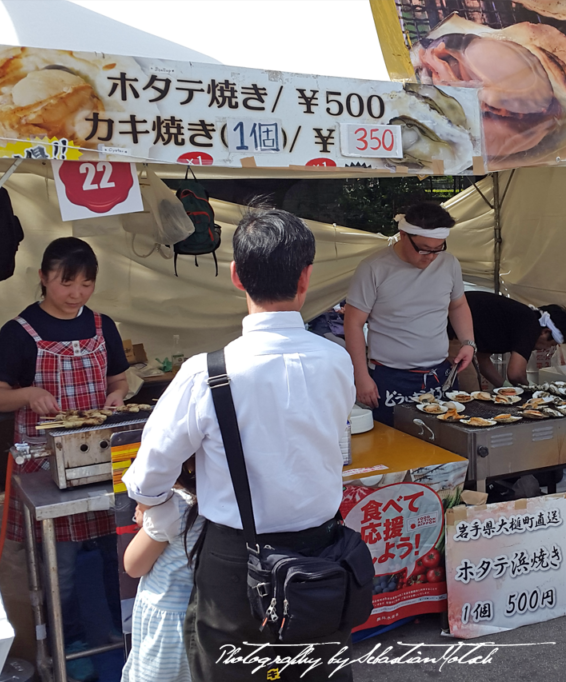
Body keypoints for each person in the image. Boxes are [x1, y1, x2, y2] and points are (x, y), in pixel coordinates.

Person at [122, 208, 356, 682]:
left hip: (234, 559)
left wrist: (159, 507)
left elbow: (149, 477)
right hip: (322, 552)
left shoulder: (206, 372)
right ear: (306, 277)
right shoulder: (337, 361)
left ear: (235, 276)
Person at [0, 237, 129, 681]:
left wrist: (119, 396)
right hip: (46, 467)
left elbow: (119, 380)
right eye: (68, 283)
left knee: (115, 554)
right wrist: (28, 394)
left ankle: (118, 642)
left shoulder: (103, 326)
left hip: (102, 459)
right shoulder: (20, 332)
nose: (77, 294)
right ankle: (64, 649)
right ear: (44, 277)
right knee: (59, 567)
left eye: (86, 284)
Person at [344, 202, 476, 426]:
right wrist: (361, 377)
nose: (431, 256)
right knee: (393, 444)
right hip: (391, 376)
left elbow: (458, 305)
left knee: (445, 441)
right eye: (424, 248)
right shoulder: (374, 268)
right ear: (403, 235)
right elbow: (353, 323)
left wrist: (468, 342)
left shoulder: (449, 262)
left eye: (438, 248)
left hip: (440, 374)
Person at [121, 462, 203, 682]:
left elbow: (133, 566)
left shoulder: (174, 508)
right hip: (205, 618)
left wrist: (146, 517)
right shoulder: (225, 501)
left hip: (166, 626)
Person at [448, 292, 566, 388]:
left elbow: (483, 360)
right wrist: (532, 391)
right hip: (450, 331)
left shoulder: (515, 321)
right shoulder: (531, 325)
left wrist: (504, 387)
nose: (545, 349)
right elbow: (516, 374)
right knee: (469, 391)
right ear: (546, 332)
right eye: (551, 344)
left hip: (454, 330)